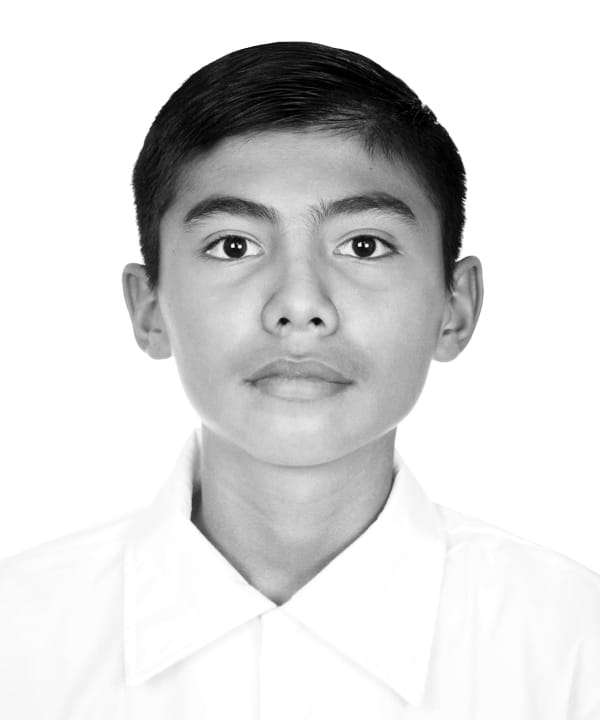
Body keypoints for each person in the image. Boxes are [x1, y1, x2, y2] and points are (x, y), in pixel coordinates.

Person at [0, 41, 598, 719]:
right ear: (149, 309)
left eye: (364, 245)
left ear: (455, 308)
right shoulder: (18, 640)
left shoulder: (573, 648)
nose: (299, 304)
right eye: (233, 246)